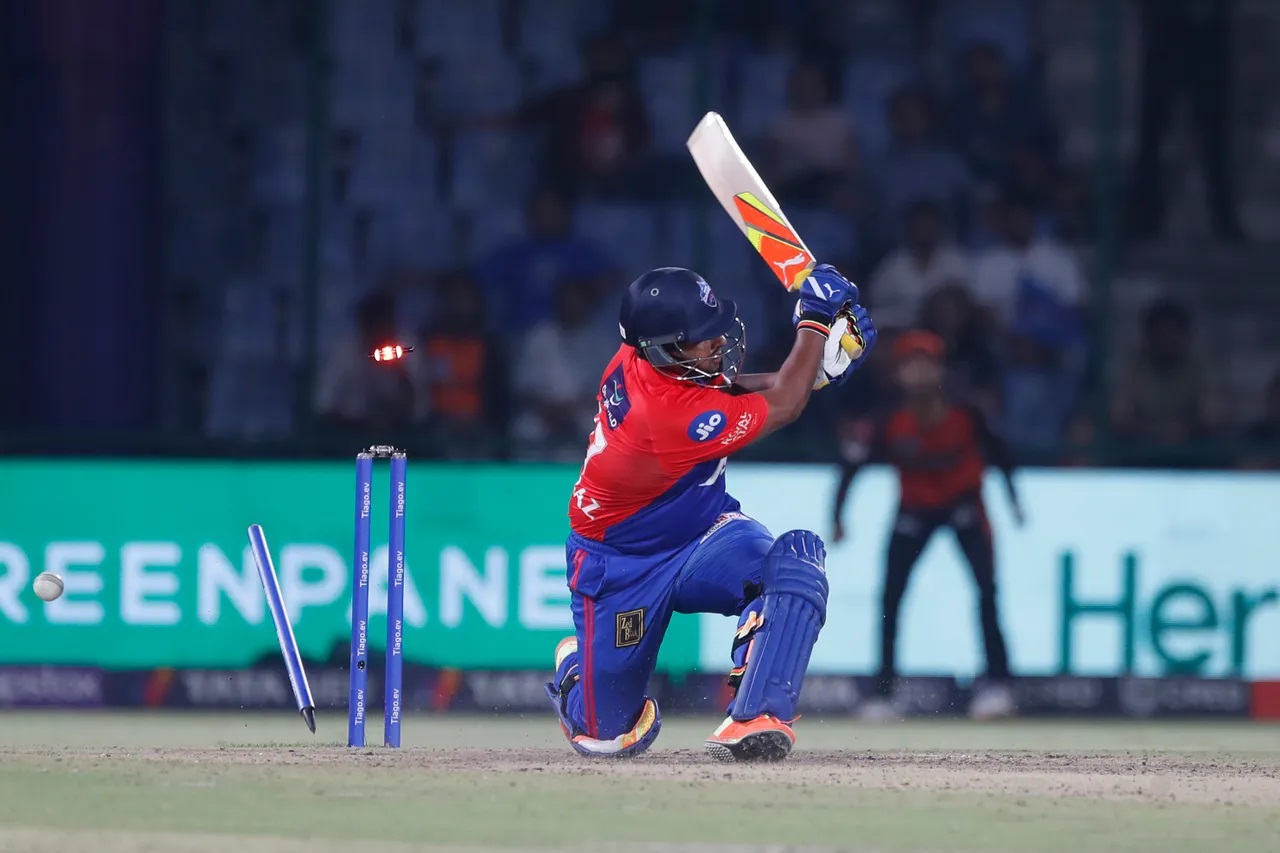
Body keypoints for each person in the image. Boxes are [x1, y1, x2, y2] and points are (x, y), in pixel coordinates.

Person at [547, 265, 878, 761]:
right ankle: (579, 671)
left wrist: (817, 371)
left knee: (794, 564)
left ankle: (757, 717)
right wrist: (813, 324)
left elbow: (727, 391)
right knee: (608, 738)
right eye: (704, 337)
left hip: (703, 531)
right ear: (665, 349)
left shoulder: (643, 357)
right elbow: (783, 405)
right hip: (620, 564)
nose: (719, 340)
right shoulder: (661, 418)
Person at [830, 329, 1022, 721]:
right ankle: (884, 693)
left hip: (965, 505)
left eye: (926, 363)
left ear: (940, 370)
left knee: (987, 591)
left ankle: (998, 686)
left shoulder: (967, 412)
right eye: (910, 364)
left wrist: (1014, 501)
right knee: (891, 598)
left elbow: (1000, 453)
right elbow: (852, 465)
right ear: (898, 373)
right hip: (914, 509)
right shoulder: (887, 419)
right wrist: (838, 516)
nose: (918, 373)